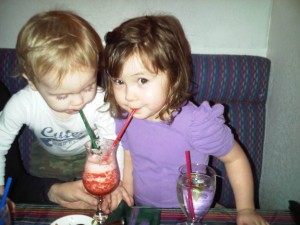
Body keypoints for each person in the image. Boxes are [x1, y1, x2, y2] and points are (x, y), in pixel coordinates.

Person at [102, 15, 269, 225]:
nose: (128, 95)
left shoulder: (197, 123)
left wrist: (246, 210)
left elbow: (235, 159)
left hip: (191, 213)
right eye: (119, 81)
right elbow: (130, 155)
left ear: (173, 76)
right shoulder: (126, 116)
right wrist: (126, 193)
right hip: (143, 211)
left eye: (142, 80)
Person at [0, 10, 129, 210]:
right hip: (46, 161)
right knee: (51, 211)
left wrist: (116, 182)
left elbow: (112, 145)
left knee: (95, 206)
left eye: (88, 87)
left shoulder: (98, 101)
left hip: (90, 156)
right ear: (32, 82)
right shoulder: (22, 105)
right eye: (62, 96)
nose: (78, 101)